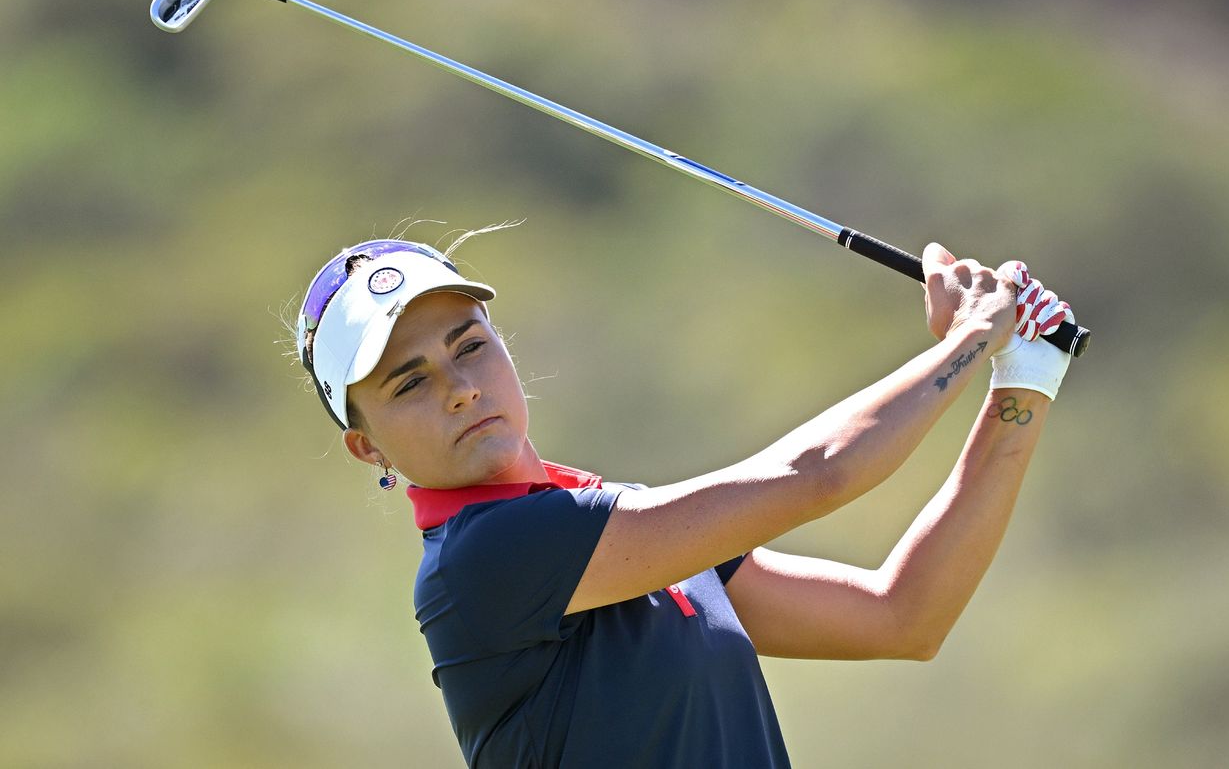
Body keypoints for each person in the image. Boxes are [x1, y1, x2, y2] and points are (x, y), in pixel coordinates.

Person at [293, 236, 1073, 768]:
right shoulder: (483, 561)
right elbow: (818, 473)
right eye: (410, 382)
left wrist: (1025, 380)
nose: (460, 390)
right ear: (368, 446)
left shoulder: (621, 525)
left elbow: (903, 617)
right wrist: (969, 338)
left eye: (470, 346)